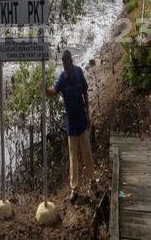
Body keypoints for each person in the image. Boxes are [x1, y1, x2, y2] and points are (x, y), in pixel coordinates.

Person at [46, 49, 97, 203]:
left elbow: (85, 93)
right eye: (63, 64)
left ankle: (92, 182)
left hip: (81, 120)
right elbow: (53, 91)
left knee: (87, 153)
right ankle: (74, 188)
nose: (65, 67)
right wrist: (45, 89)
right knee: (73, 157)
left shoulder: (79, 73)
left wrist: (88, 113)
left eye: (67, 63)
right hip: (71, 124)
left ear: (71, 62)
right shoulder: (61, 78)